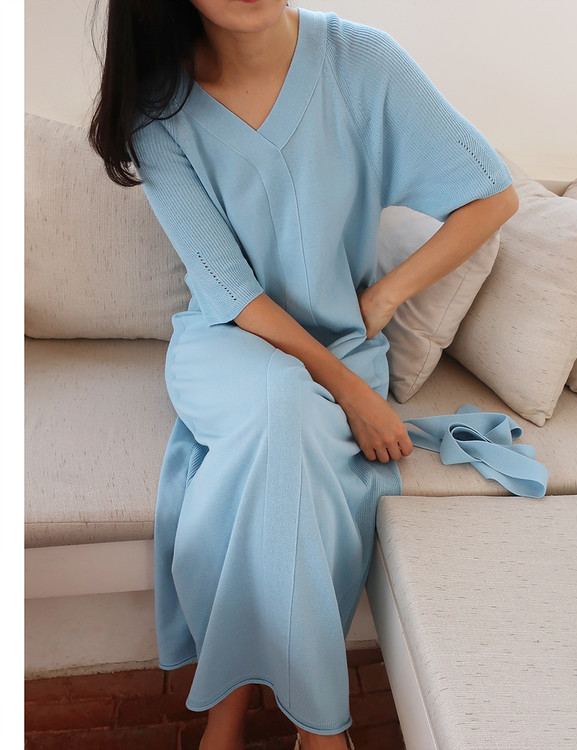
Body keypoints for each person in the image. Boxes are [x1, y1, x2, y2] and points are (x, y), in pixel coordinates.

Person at [89, 1, 518, 748]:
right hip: (227, 340)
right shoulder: (157, 109)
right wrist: (350, 394)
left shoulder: (361, 61)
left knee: (280, 449)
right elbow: (231, 289)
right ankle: (318, 729)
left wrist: (384, 297)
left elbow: (492, 195)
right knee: (283, 407)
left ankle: (228, 714)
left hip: (342, 343)